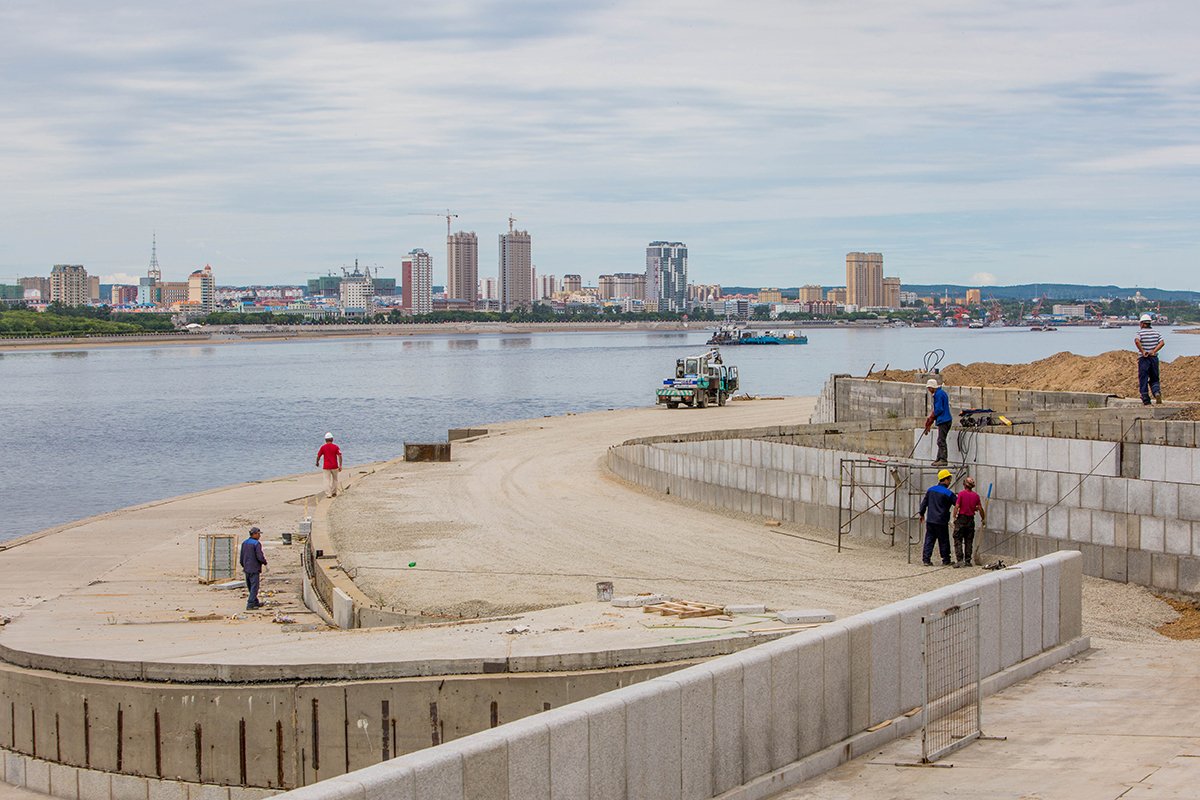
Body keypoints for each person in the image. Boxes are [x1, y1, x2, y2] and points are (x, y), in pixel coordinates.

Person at [918, 469, 956, 567]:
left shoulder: (930, 490)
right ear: (946, 480)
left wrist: (921, 514)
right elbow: (957, 503)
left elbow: (924, 504)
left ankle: (926, 559)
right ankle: (946, 560)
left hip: (930, 519)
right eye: (949, 479)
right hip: (941, 520)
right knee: (943, 540)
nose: (950, 481)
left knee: (929, 539)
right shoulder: (948, 493)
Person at [951, 476, 986, 568]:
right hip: (971, 520)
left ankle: (960, 560)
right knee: (969, 540)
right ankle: (967, 561)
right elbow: (980, 509)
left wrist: (954, 518)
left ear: (964, 484)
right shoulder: (976, 496)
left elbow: (957, 506)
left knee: (958, 539)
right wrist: (983, 518)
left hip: (961, 519)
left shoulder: (961, 494)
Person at [1135, 314, 1164, 405]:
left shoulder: (1140, 333)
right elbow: (1162, 342)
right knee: (1154, 378)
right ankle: (1156, 392)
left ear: (1143, 324)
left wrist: (1143, 351)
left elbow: (1136, 341)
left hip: (1144, 358)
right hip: (1154, 358)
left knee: (1143, 378)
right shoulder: (1156, 333)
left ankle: (1145, 398)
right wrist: (1154, 351)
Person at [923, 378, 952, 466]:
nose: (929, 390)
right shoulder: (941, 393)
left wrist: (931, 417)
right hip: (945, 420)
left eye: (929, 388)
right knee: (940, 440)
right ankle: (939, 458)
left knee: (941, 440)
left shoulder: (938, 395)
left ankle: (943, 459)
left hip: (944, 420)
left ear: (932, 387)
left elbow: (939, 409)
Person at [240, 526, 267, 610]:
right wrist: (264, 562)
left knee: (250, 586)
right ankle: (250, 604)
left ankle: (255, 602)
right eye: (258, 534)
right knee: (254, 587)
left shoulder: (245, 543)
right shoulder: (256, 544)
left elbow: (241, 556)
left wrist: (243, 565)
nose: (259, 536)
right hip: (254, 568)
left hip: (246, 567)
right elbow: (259, 556)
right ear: (254, 534)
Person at [315, 432, 343, 498]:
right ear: (332, 439)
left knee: (326, 480)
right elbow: (340, 456)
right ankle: (334, 492)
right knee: (335, 479)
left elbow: (318, 456)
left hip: (326, 467)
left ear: (325, 440)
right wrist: (340, 465)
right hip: (334, 466)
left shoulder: (323, 447)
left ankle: (328, 494)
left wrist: (317, 462)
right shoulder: (336, 447)